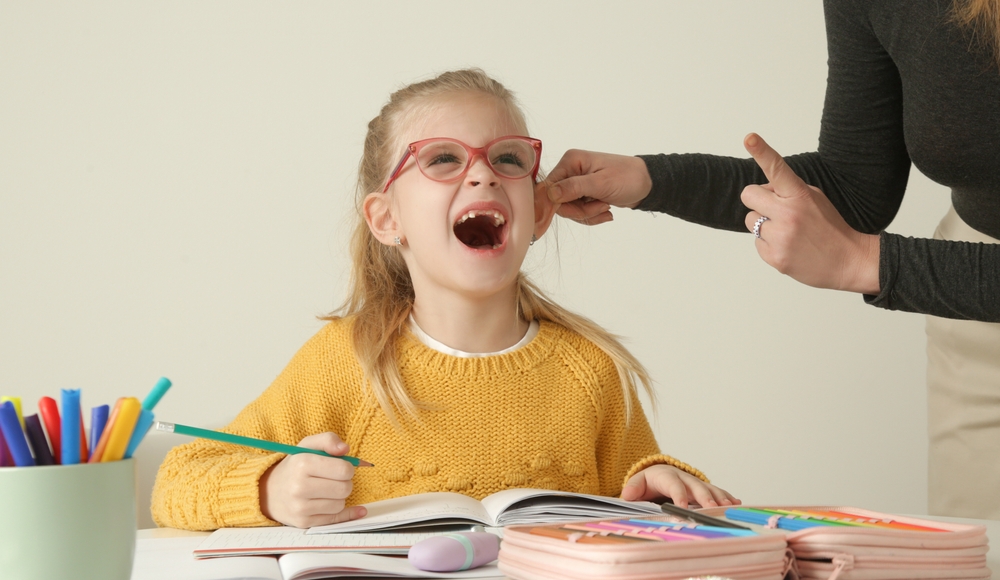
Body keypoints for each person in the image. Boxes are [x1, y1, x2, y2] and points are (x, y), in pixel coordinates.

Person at [151, 69, 737, 531]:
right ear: (387, 219)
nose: (483, 175)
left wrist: (660, 477)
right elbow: (176, 483)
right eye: (442, 159)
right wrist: (270, 490)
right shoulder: (344, 361)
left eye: (507, 159)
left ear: (539, 212)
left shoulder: (590, 369)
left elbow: (633, 491)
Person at [544, 0, 1000, 519]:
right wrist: (652, 179)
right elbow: (855, 188)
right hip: (975, 315)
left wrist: (866, 264)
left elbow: (858, 245)